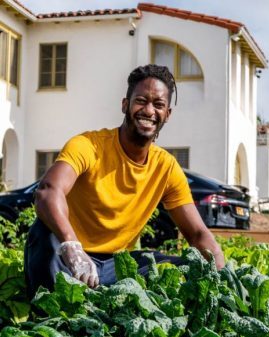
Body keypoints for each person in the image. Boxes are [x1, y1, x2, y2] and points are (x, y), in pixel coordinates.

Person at [25, 64, 224, 298]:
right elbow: (48, 191)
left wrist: (224, 276)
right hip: (66, 254)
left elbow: (197, 234)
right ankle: (51, 310)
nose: (149, 111)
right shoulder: (89, 145)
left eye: (158, 104)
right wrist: (71, 246)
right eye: (141, 100)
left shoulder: (166, 168)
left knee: (185, 267)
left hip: (115, 267)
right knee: (45, 235)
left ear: (167, 115)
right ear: (125, 104)